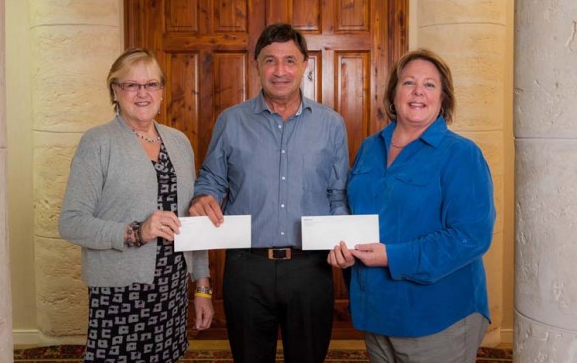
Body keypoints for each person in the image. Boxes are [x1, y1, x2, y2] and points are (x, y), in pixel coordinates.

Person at [189, 23, 349, 363]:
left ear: (304, 65)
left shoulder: (331, 124)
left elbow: (337, 195)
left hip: (311, 270)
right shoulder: (231, 121)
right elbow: (211, 180)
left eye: (289, 60)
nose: (280, 70)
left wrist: (343, 239)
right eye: (270, 60)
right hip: (246, 269)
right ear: (257, 65)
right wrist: (203, 197)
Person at [328, 48, 495, 363]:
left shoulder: (461, 154)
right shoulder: (369, 148)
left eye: (430, 85)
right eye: (409, 82)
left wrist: (392, 256)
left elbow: (471, 237)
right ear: (394, 93)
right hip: (376, 311)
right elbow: (355, 214)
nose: (418, 91)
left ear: (443, 98)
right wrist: (344, 249)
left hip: (437, 315)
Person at [59, 48, 214, 362]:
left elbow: (192, 223)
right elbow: (71, 222)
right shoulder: (97, 142)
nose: (143, 93)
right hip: (119, 293)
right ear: (115, 91)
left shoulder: (179, 142)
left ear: (162, 91)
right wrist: (136, 232)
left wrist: (202, 288)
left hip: (172, 290)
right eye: (131, 85)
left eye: (151, 84)